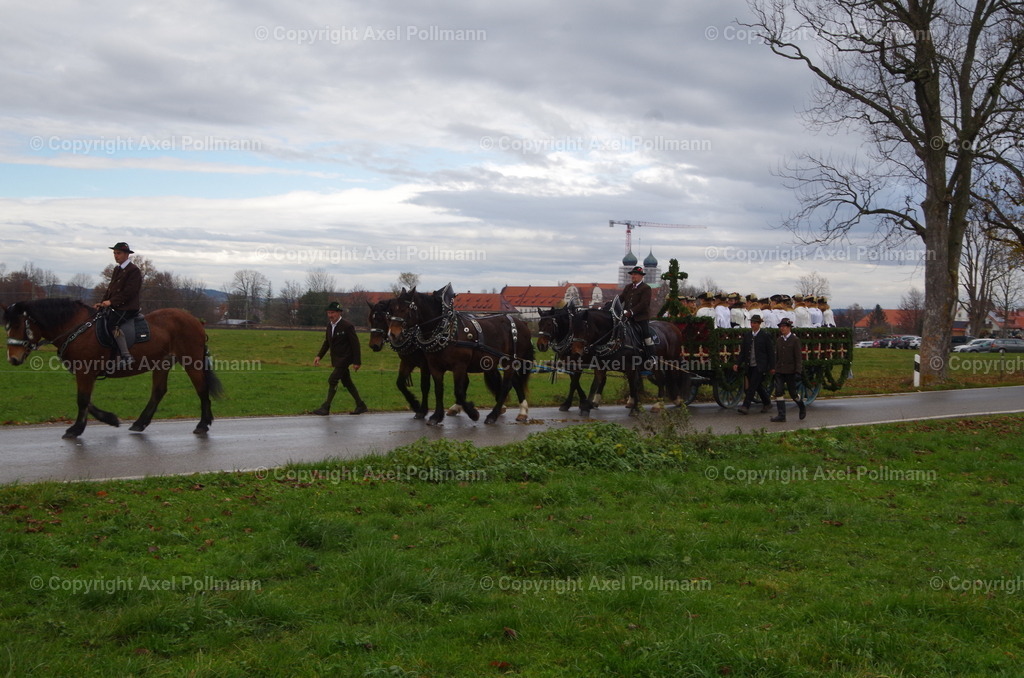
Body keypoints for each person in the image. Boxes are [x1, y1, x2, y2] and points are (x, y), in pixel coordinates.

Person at [312, 301, 367, 415]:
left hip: (345, 359)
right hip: (336, 360)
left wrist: (357, 362)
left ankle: (326, 407)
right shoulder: (329, 326)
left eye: (332, 313)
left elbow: (355, 345)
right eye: (328, 313)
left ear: (339, 313)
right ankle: (361, 405)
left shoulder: (347, 326)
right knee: (347, 382)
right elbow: (327, 342)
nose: (330, 315)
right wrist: (319, 356)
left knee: (332, 380)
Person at [94, 241, 142, 368]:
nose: (116, 255)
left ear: (126, 254)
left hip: (127, 307)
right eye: (114, 253)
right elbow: (111, 289)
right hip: (116, 306)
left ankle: (126, 356)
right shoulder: (117, 269)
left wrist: (111, 302)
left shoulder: (134, 270)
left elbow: (130, 292)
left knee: (112, 324)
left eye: (118, 253)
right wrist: (102, 302)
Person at [733, 314, 775, 415]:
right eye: (751, 323)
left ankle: (745, 406)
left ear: (759, 324)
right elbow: (743, 352)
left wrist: (772, 366)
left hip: (760, 365)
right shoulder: (747, 335)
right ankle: (767, 402)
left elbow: (770, 352)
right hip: (749, 364)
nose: (753, 325)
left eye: (755, 323)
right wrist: (737, 363)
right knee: (757, 385)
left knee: (752, 386)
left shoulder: (765, 336)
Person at [619, 266, 654, 368]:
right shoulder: (628, 287)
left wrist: (631, 312)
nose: (633, 276)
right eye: (632, 274)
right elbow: (621, 298)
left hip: (640, 318)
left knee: (646, 334)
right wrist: (611, 304)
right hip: (626, 317)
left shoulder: (646, 288)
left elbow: (644, 304)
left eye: (635, 274)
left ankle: (652, 356)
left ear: (641, 276)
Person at [771, 318, 806, 422]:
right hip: (780, 371)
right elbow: (776, 356)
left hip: (791, 371)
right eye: (781, 327)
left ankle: (801, 406)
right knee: (778, 391)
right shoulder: (779, 340)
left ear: (789, 328)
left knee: (793, 394)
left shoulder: (795, 340)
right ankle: (781, 415)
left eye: (784, 327)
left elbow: (798, 357)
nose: (782, 329)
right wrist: (775, 368)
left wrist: (798, 371)